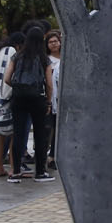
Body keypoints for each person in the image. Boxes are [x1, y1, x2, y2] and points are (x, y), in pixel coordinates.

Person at [4, 26, 54, 183]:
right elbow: (49, 84)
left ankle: (16, 171)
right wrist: (48, 101)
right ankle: (40, 172)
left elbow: (6, 78)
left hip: (18, 98)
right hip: (37, 99)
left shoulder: (17, 56)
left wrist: (19, 87)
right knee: (40, 135)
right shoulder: (44, 58)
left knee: (18, 135)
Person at [0, 32, 24, 178]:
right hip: (6, 99)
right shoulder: (11, 51)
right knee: (13, 135)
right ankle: (14, 168)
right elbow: (8, 76)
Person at [44, 29, 63, 171]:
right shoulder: (47, 60)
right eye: (50, 42)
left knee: (59, 129)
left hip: (64, 99)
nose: (54, 44)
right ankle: (46, 156)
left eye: (55, 41)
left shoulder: (67, 57)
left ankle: (54, 155)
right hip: (50, 99)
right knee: (48, 128)